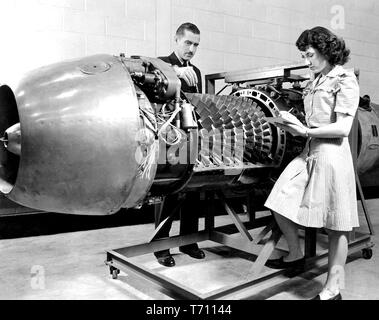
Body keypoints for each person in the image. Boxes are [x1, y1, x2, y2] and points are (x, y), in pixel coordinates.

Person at [264, 26, 360, 300]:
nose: (306, 61)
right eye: (304, 56)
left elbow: (342, 128)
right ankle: (295, 253)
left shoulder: (345, 79)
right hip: (310, 149)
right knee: (279, 199)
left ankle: (333, 289)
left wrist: (305, 131)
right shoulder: (314, 79)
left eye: (309, 55)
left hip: (332, 154)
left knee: (337, 224)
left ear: (325, 51)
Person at [154, 22, 205, 267]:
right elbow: (153, 93)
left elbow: (198, 104)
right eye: (188, 43)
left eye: (196, 44)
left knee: (194, 190)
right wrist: (174, 72)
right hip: (169, 139)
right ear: (176, 40)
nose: (192, 49)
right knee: (169, 192)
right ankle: (160, 246)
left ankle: (189, 242)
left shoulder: (197, 71)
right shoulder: (161, 63)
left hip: (192, 137)